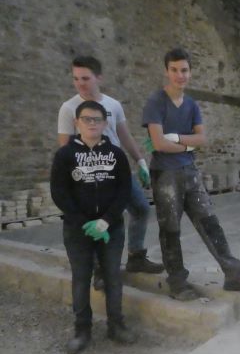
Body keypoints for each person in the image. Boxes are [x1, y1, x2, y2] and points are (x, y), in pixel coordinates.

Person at [142, 48, 240, 301]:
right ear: (166, 72)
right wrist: (187, 144)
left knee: (209, 222)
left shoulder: (192, 105)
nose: (180, 75)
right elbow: (158, 143)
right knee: (170, 229)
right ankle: (177, 282)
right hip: (165, 173)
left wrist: (176, 139)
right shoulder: (156, 101)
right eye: (174, 70)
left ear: (190, 72)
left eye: (184, 70)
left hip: (189, 171)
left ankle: (234, 274)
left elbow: (202, 139)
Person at [58, 56, 164, 290]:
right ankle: (100, 270)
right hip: (90, 175)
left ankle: (136, 256)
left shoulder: (113, 105)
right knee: (98, 219)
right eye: (76, 78)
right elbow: (65, 148)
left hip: (118, 170)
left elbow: (123, 135)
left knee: (141, 208)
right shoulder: (68, 109)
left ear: (99, 78)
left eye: (85, 78)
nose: (80, 83)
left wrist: (140, 161)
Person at [51, 100, 136, 354]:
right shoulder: (65, 155)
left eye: (97, 119)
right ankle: (82, 330)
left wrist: (106, 220)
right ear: (76, 122)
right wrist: (82, 221)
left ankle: (116, 325)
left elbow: (124, 190)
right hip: (77, 230)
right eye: (86, 119)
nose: (92, 124)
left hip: (111, 228)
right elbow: (59, 192)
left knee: (112, 277)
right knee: (80, 279)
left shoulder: (117, 154)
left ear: (105, 124)